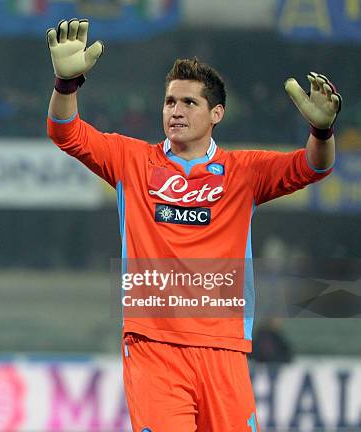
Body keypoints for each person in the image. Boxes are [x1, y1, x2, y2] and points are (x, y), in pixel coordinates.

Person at [46, 19, 341, 431]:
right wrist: (65, 84)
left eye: (189, 103)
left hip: (224, 348)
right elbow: (66, 132)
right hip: (154, 346)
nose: (176, 111)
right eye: (169, 102)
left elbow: (314, 166)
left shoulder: (244, 171)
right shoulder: (131, 159)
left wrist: (322, 131)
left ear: (216, 113)